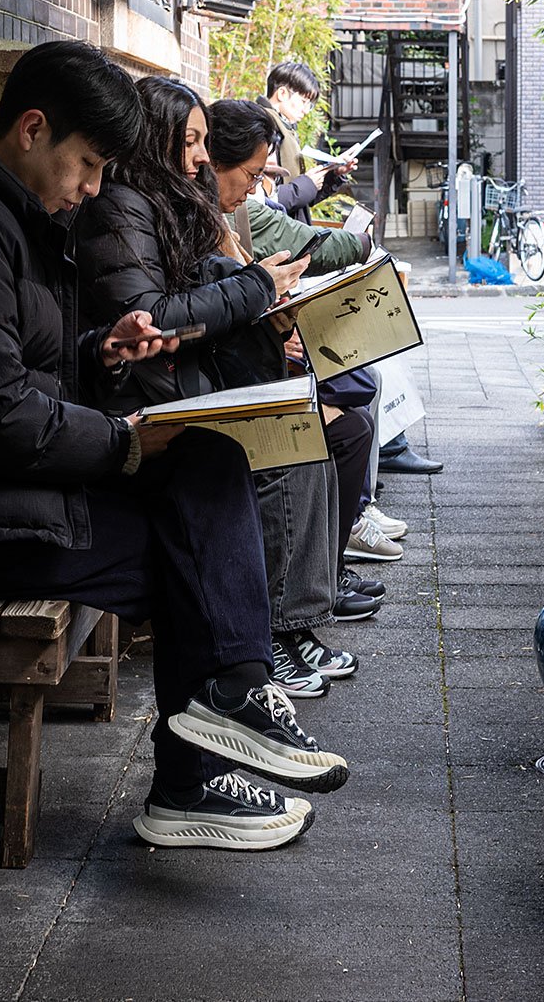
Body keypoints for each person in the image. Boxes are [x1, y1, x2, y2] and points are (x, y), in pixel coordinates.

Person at [0, 41, 346, 852]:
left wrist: (98, 352)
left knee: (209, 460)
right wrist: (125, 440)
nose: (92, 188)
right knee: (186, 548)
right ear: (31, 128)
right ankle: (195, 767)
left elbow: (13, 377)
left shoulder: (10, 220)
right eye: (88, 164)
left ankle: (231, 693)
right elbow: (0, 418)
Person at [73, 77, 371, 697]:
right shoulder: (123, 206)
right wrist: (257, 288)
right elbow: (152, 316)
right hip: (148, 406)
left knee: (310, 432)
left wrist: (263, 304)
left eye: (204, 143)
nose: (202, 158)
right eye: (190, 143)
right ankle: (267, 645)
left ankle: (288, 632)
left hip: (176, 386)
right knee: (284, 449)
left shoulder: (165, 203)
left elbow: (183, 300)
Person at [202, 99, 404, 595]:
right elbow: (193, 314)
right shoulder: (195, 217)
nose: (257, 187)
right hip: (227, 383)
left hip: (249, 362)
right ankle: (304, 597)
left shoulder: (223, 211)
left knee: (356, 400)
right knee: (341, 420)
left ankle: (324, 574)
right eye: (253, 174)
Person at [263, 59, 356, 225]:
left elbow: (300, 200)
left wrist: (334, 174)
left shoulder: (286, 127)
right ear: (282, 93)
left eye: (310, 105)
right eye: (303, 102)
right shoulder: (263, 126)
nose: (306, 110)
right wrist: (307, 183)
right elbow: (264, 200)